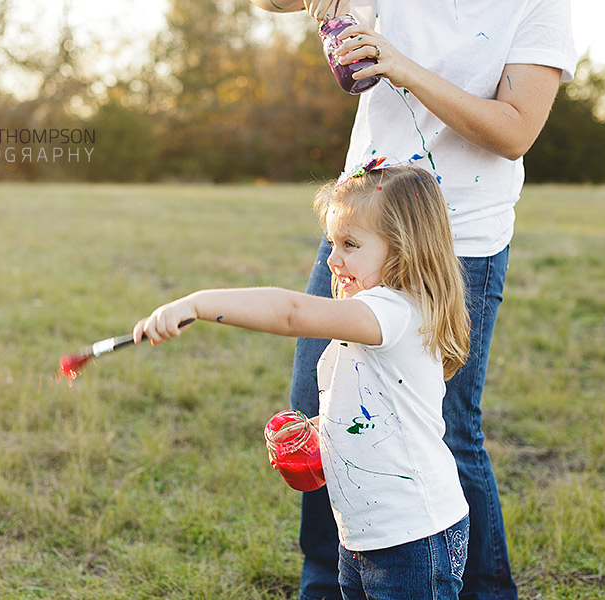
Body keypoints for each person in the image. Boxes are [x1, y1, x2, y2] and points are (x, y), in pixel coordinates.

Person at [248, 2, 578, 599]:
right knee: (322, 416)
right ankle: (328, 586)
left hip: (456, 245)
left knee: (448, 430)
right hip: (362, 230)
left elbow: (515, 130)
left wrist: (404, 67)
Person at [135, 165, 472, 600]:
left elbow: (292, 313)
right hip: (363, 534)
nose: (333, 260)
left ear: (406, 249)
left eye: (350, 244)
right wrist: (320, 430)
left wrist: (198, 304)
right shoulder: (372, 314)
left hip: (413, 540)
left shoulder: (394, 311)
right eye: (332, 242)